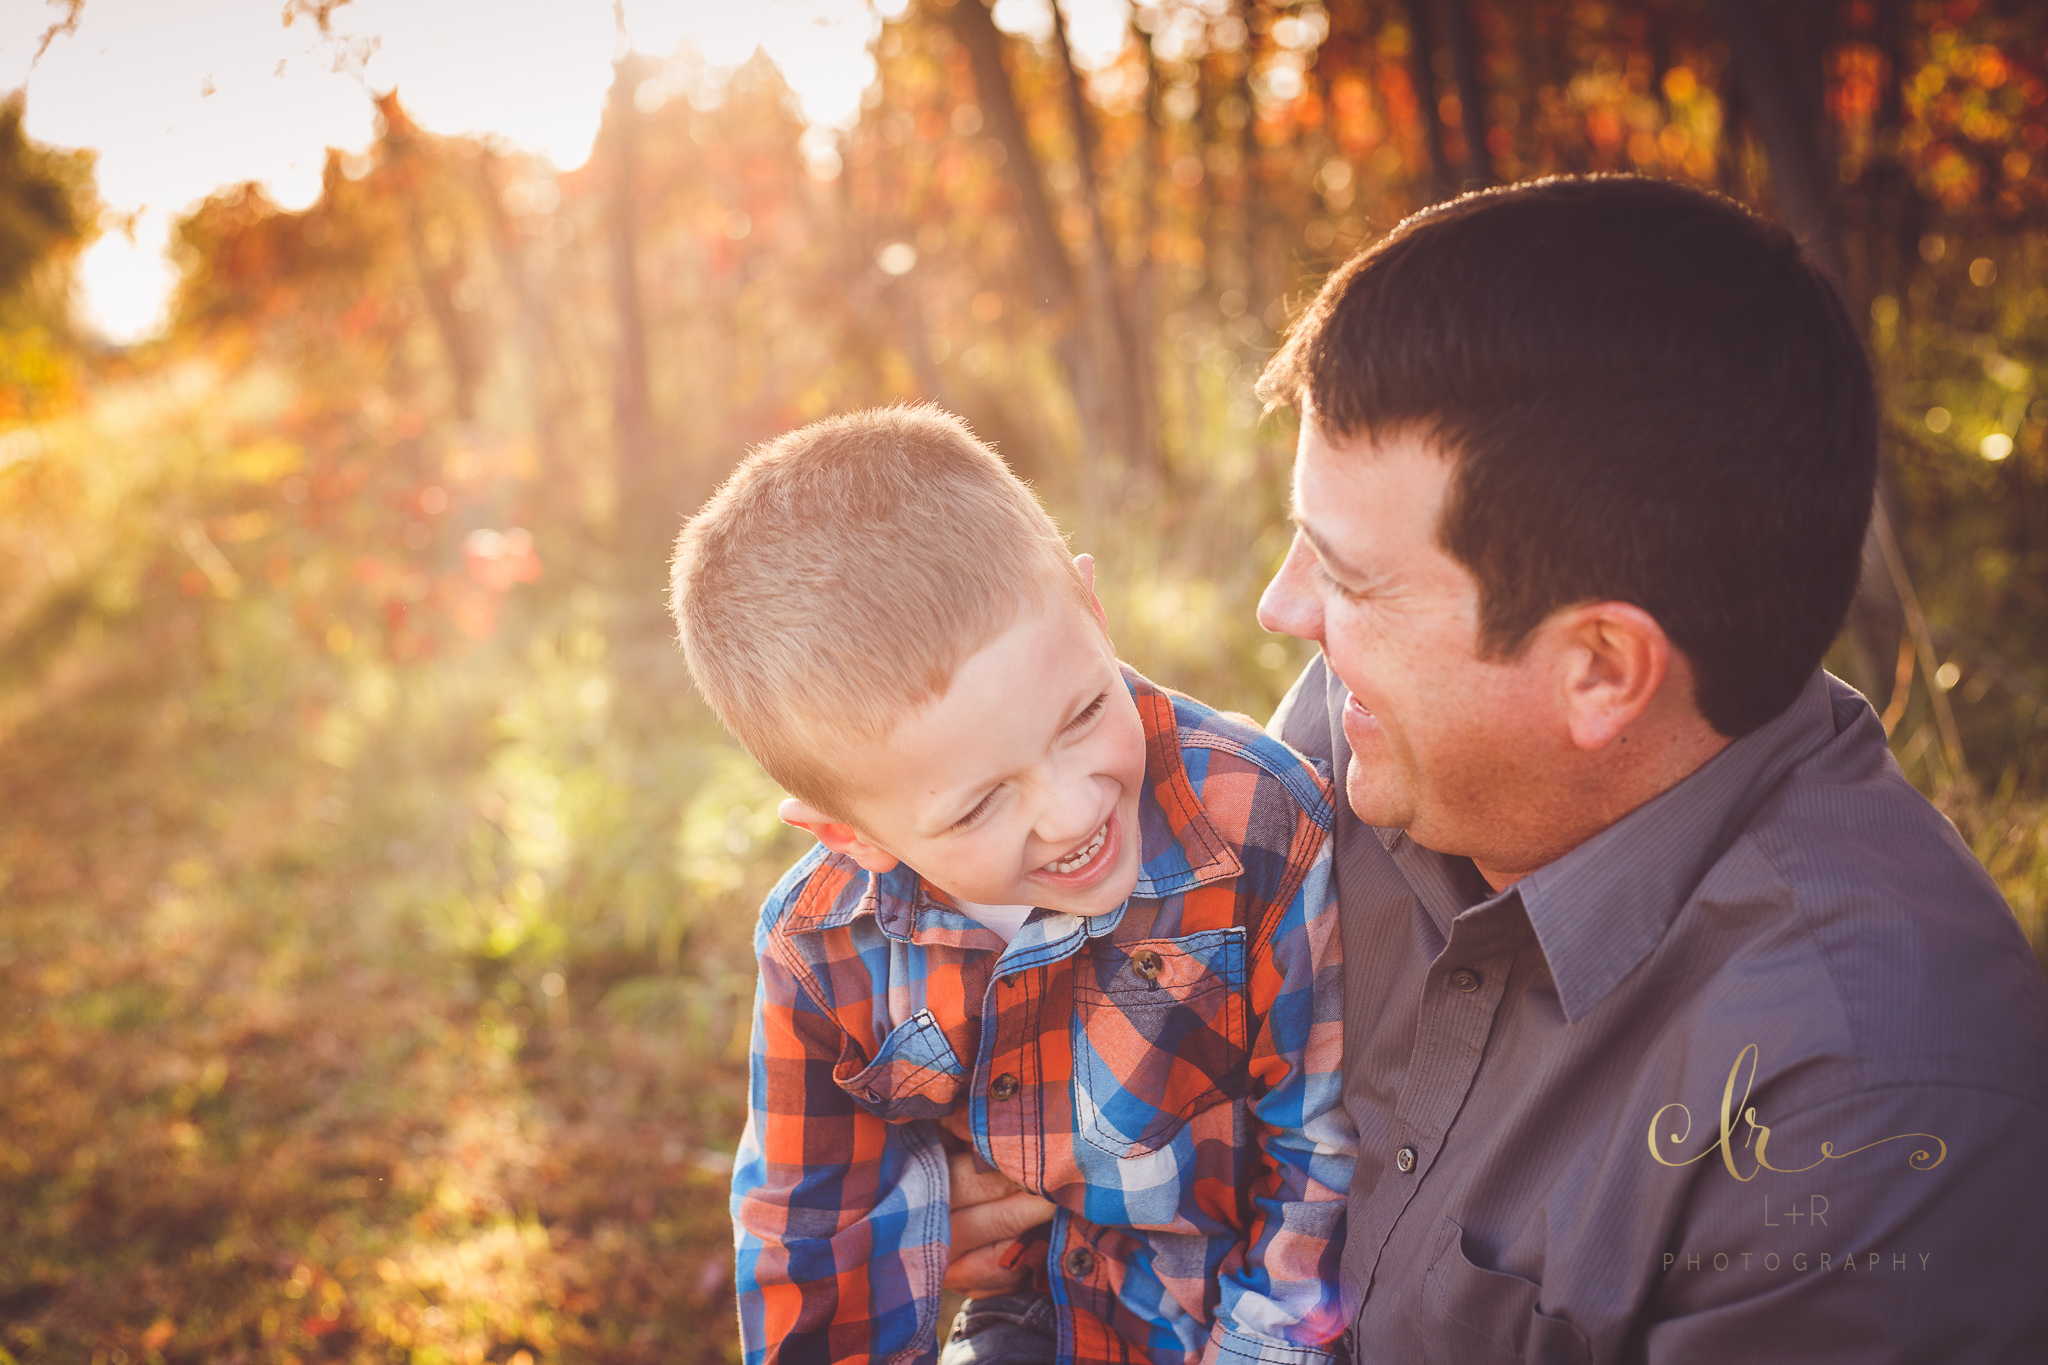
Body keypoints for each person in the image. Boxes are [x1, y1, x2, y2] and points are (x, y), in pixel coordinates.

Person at [1252, 174, 2048, 1361]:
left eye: (1349, 578)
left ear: (1599, 669)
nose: (1281, 612)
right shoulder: (1362, 727)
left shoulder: (1869, 1118)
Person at [669, 406, 1354, 1365]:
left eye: (1081, 713)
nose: (1073, 811)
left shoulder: (1258, 820)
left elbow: (1320, 1157)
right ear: (851, 834)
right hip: (1034, 1318)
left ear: (1093, 610)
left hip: (1243, 1316)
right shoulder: (823, 945)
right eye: (982, 802)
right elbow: (813, 1233)